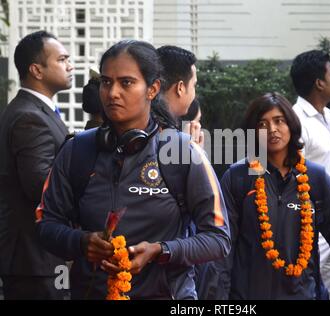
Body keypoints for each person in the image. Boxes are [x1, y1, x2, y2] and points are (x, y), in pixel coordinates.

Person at [35, 40, 231, 300]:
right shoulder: (76, 150)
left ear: (153, 89)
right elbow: (45, 224)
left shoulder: (184, 153)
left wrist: (161, 251)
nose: (112, 92)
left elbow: (218, 239)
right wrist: (80, 242)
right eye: (106, 82)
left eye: (126, 82)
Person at [218, 92, 330, 300]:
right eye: (262, 124)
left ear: (291, 125)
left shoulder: (316, 178)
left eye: (278, 121)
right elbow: (223, 249)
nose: (272, 129)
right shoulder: (238, 178)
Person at [0, 31, 73, 299]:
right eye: (62, 59)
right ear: (36, 70)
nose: (70, 65)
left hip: (39, 257)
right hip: (33, 259)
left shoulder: (36, 111)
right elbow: (41, 186)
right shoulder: (29, 118)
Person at [291, 50, 330, 299]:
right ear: (319, 83)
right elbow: (290, 174)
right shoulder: (295, 120)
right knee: (302, 287)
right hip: (309, 224)